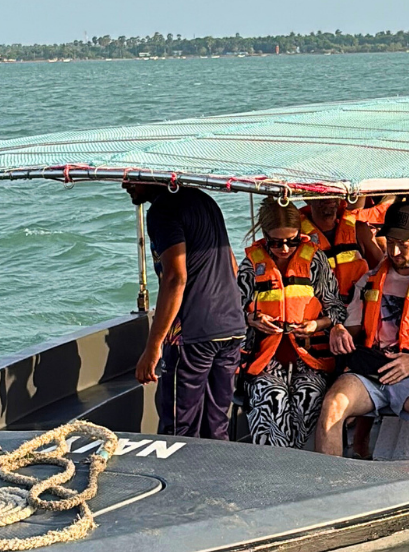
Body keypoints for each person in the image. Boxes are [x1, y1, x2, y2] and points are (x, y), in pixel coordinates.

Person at [316, 200, 409, 459]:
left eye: (404, 243)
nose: (395, 251)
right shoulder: (370, 278)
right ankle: (329, 491)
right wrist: (338, 329)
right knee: (332, 405)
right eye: (390, 242)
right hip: (371, 372)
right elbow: (351, 329)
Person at [124, 181, 245, 439]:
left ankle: (181, 480)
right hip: (231, 327)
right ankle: (217, 479)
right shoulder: (204, 200)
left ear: (152, 176)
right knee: (217, 425)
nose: (125, 184)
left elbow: (175, 278)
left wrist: (153, 347)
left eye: (132, 177)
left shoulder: (163, 210)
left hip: (193, 334)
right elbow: (232, 266)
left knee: (180, 429)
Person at [237, 198, 346, 448]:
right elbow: (232, 313)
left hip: (310, 358)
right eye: (276, 242)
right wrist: (251, 320)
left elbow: (337, 310)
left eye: (292, 240)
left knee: (307, 398)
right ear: (265, 236)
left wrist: (315, 326)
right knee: (272, 398)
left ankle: (301, 463)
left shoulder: (316, 261)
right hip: (265, 358)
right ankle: (275, 468)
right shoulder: (250, 266)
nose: (285, 248)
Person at [298, 197, 370, 298]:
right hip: (320, 310)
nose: (329, 197)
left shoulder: (358, 230)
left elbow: (382, 270)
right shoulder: (295, 238)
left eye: (334, 192)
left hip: (356, 307)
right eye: (320, 193)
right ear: (307, 199)